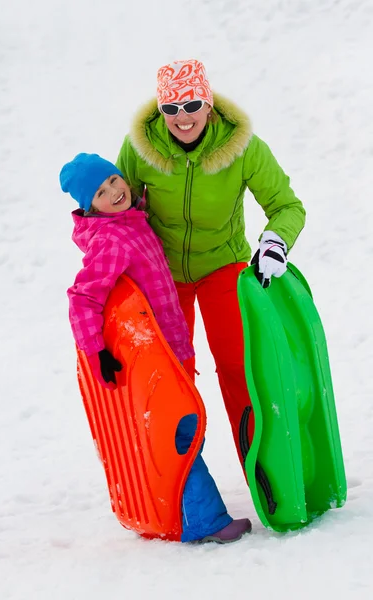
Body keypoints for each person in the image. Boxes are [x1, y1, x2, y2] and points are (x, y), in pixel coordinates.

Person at [116, 59, 306, 474]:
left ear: (209, 103)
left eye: (192, 105)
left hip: (223, 265)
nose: (182, 118)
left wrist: (276, 241)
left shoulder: (243, 147)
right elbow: (117, 209)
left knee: (238, 366)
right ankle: (184, 480)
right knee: (173, 376)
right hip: (164, 274)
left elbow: (287, 207)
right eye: (171, 109)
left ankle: (264, 466)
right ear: (160, 110)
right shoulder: (139, 148)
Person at [59, 153, 252, 544]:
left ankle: (173, 514)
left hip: (172, 349)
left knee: (183, 429)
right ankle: (207, 522)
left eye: (114, 181)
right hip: (155, 356)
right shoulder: (112, 239)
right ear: (88, 206)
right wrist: (97, 352)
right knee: (180, 431)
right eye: (100, 192)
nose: (114, 192)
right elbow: (83, 298)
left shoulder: (131, 220)